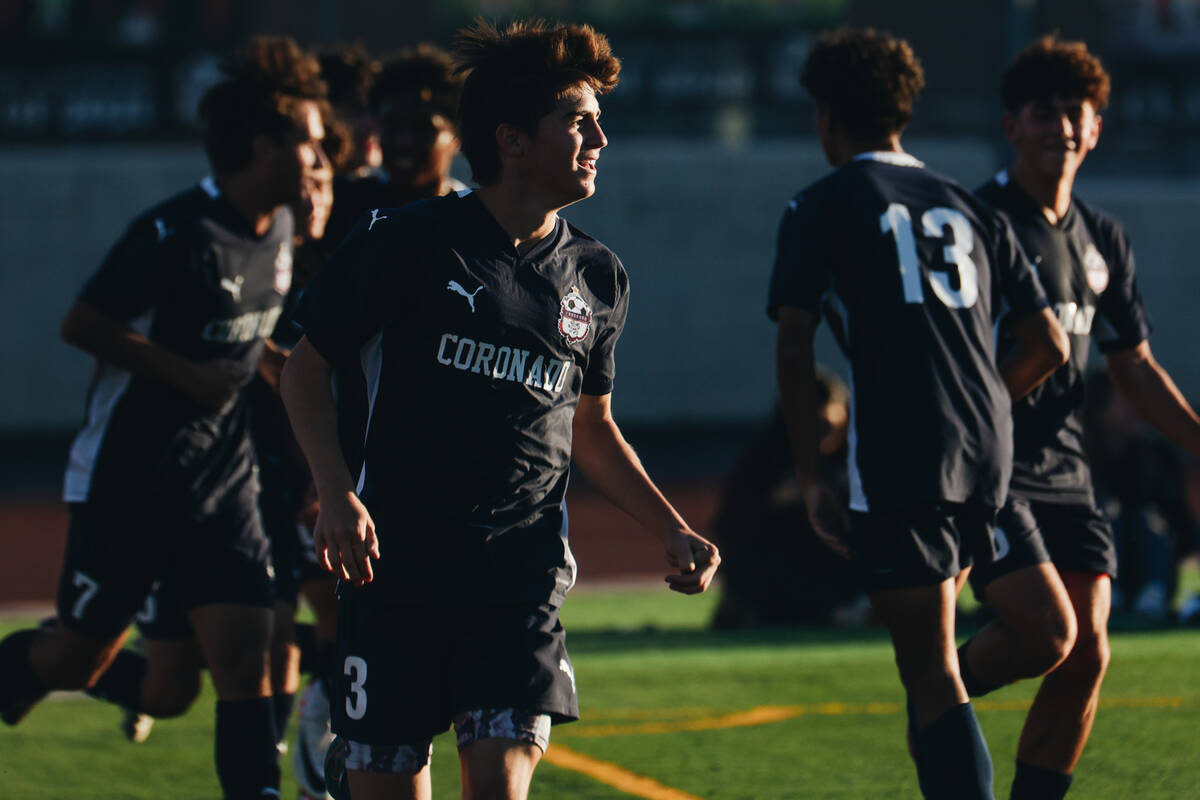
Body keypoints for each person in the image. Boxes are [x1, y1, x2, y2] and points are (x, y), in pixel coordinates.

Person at [280, 18, 720, 800]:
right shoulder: (406, 240)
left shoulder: (598, 275)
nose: (601, 139)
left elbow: (592, 426)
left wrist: (671, 527)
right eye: (579, 122)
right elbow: (305, 370)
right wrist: (337, 491)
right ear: (513, 141)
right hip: (395, 574)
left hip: (518, 582)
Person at [0, 36, 328, 800]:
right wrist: (186, 375)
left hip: (224, 482)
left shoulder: (279, 232)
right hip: (131, 480)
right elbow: (82, 323)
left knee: (246, 657)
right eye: (308, 143)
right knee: (81, 661)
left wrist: (298, 400)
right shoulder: (173, 232)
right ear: (262, 146)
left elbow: (250, 350)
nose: (319, 158)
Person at [769, 28, 1069, 800]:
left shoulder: (820, 205)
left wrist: (809, 476)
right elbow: (1048, 343)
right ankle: (948, 720)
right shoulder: (970, 205)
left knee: (932, 680)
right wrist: (984, 405)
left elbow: (795, 348)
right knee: (1048, 631)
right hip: (990, 452)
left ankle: (945, 722)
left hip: (904, 459)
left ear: (828, 116)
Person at [958, 35, 1200, 799]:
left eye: (1078, 112)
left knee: (1088, 653)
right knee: (1044, 635)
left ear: (1097, 128)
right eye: (1046, 111)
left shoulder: (1104, 239)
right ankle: (939, 684)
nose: (1063, 125)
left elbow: (1132, 367)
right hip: (990, 467)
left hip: (1068, 473)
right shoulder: (976, 223)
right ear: (1012, 126)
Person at [322, 42, 467, 248]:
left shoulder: (474, 223)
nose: (403, 142)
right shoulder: (342, 209)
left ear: (457, 136)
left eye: (421, 128)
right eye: (392, 126)